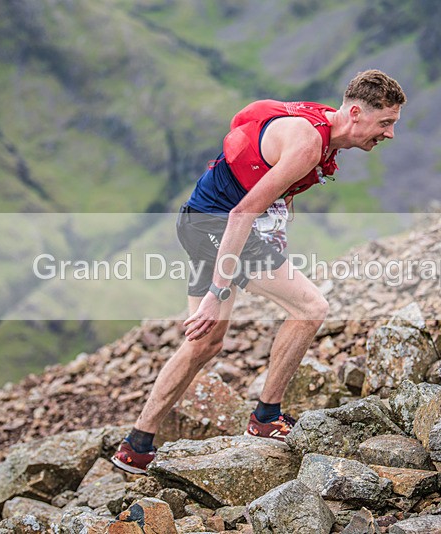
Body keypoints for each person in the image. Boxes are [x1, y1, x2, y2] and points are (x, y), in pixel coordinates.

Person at [112, 69, 406, 474]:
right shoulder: (309, 143)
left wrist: (274, 234)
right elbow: (241, 212)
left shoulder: (321, 125)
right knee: (310, 308)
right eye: (385, 122)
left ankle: (136, 446)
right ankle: (266, 418)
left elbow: (270, 182)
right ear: (355, 113)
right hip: (218, 228)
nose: (390, 134)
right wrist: (217, 292)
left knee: (204, 343)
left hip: (199, 222)